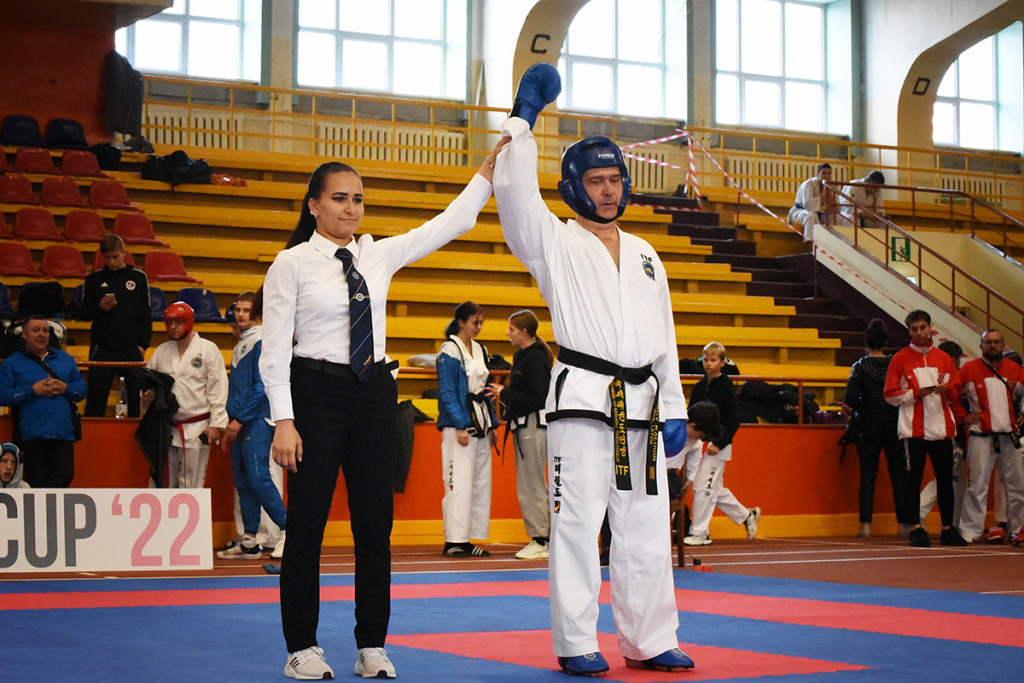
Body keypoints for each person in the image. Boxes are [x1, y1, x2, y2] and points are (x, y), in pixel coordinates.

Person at [260, 146, 505, 680]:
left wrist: (486, 175)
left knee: (375, 529)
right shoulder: (291, 263)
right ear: (313, 205)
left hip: (373, 395)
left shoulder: (378, 254)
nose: (351, 208)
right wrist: (284, 420)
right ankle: (301, 647)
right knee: (307, 529)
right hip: (314, 394)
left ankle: (372, 645)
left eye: (358, 199)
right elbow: (273, 350)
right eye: (339, 199)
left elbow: (451, 224)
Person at [491, 63, 693, 676]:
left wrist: (676, 406)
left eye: (615, 180)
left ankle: (650, 639)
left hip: (643, 403)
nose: (608, 190)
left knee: (645, 525)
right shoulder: (553, 243)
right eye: (596, 181)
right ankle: (577, 640)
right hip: (581, 399)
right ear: (575, 188)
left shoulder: (647, 254)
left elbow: (665, 339)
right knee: (577, 525)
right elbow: (514, 197)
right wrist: (522, 120)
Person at [883, 310, 969, 547]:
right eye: (914, 329)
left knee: (945, 479)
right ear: (909, 330)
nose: (919, 333)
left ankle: (947, 528)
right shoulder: (899, 359)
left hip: (941, 428)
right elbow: (889, 394)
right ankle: (915, 528)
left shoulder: (943, 358)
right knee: (913, 479)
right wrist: (914, 394)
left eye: (922, 327)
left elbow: (956, 391)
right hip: (914, 430)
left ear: (931, 327)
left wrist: (946, 390)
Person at [217, 291, 287, 560]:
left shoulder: (261, 341)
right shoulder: (242, 343)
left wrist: (240, 418)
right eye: (238, 309)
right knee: (244, 482)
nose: (240, 314)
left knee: (258, 478)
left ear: (256, 313)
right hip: (241, 421)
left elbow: (262, 387)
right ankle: (249, 540)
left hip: (256, 420)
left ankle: (289, 531)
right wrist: (231, 419)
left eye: (247, 310)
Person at [484, 309, 553, 560]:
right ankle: (546, 536)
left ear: (524, 331)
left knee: (531, 484)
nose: (508, 333)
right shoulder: (522, 354)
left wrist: (505, 393)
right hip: (524, 424)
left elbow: (539, 397)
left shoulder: (535, 357)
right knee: (533, 483)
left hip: (532, 424)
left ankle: (541, 539)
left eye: (511, 329)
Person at [142, 302, 228, 489]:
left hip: (197, 426)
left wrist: (216, 424)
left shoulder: (208, 349)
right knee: (163, 483)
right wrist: (148, 396)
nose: (173, 327)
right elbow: (148, 381)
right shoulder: (162, 351)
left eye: (178, 322)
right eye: (169, 323)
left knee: (191, 486)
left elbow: (218, 388)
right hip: (167, 427)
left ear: (189, 322)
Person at [436, 301, 498, 558]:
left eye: (481, 322)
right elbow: (447, 391)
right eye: (475, 322)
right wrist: (459, 424)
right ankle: (453, 540)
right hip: (458, 423)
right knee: (458, 481)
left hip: (481, 421)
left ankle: (467, 538)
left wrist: (493, 424)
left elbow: (485, 389)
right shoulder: (449, 350)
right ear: (461, 322)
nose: (479, 327)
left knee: (479, 482)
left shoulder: (481, 349)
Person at [683, 342, 760, 546]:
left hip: (718, 446)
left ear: (722, 363)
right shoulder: (699, 387)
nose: (709, 364)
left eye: (713, 360)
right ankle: (746, 515)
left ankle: (700, 532)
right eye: (706, 360)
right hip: (699, 443)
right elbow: (692, 414)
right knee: (713, 488)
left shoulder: (726, 387)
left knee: (702, 486)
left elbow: (733, 420)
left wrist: (719, 442)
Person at [0, 315, 86, 487]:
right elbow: (3, 396)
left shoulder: (65, 359)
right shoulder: (12, 363)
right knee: (36, 482)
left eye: (45, 330)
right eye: (36, 330)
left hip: (62, 435)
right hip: (30, 436)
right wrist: (32, 390)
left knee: (64, 477)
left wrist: (66, 388)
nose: (41, 334)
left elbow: (82, 390)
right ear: (24, 334)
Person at [843, 319, 909, 538]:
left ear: (867, 341)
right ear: (885, 341)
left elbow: (851, 399)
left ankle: (865, 525)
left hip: (868, 424)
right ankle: (904, 523)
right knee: (899, 473)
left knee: (868, 474)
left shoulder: (860, 366)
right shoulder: (895, 364)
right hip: (894, 423)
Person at [957, 329, 1024, 543]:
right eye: (988, 342)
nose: (993, 346)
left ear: (1003, 345)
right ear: (981, 346)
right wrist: (963, 416)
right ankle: (970, 531)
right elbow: (951, 393)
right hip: (981, 436)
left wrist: (1023, 413)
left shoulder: (1014, 369)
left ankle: (1018, 528)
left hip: (1009, 436)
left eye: (996, 342)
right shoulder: (969, 369)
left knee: (1017, 485)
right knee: (976, 485)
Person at [80, 234, 151, 417]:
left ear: (123, 253)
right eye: (107, 258)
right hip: (102, 347)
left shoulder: (138, 278)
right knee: (96, 400)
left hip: (131, 348)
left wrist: (143, 345)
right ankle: (92, 433)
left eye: (115, 257)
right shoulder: (94, 279)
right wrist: (99, 308)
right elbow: (84, 314)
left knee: (133, 401)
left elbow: (145, 314)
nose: (112, 262)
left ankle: (134, 434)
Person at [919, 340, 968, 532]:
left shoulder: (935, 376)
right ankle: (919, 509)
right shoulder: (947, 380)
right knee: (945, 479)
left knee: (956, 483)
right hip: (950, 434)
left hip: (949, 433)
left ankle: (955, 523)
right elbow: (954, 407)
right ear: (953, 359)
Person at [788, 162, 832, 241]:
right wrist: (824, 194)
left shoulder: (831, 186)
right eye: (824, 173)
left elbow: (836, 208)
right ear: (817, 174)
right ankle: (809, 244)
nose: (827, 176)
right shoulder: (808, 184)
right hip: (799, 212)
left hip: (817, 213)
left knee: (835, 218)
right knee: (811, 216)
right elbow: (809, 207)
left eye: (829, 173)